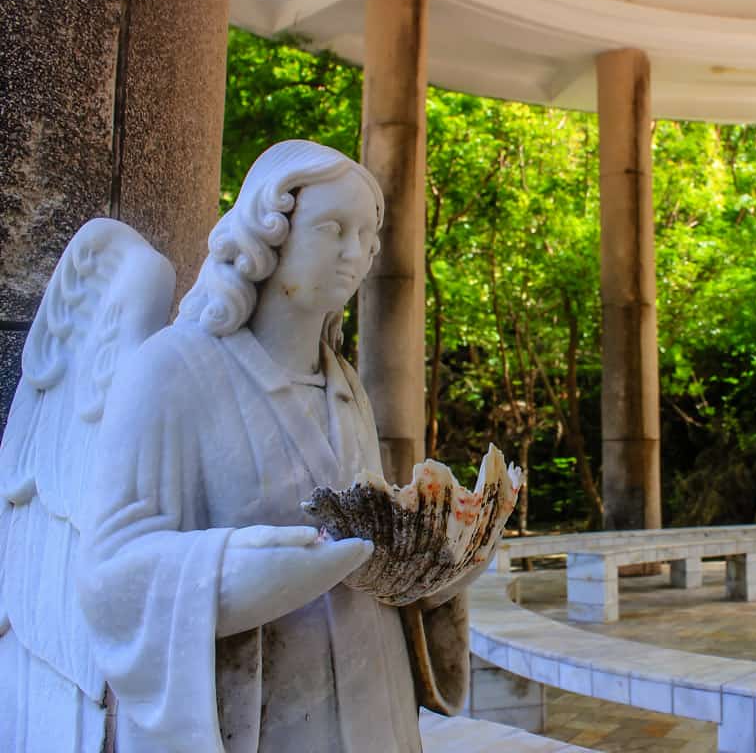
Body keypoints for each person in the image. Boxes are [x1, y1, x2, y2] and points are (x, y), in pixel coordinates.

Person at [70, 140, 470, 751]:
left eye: (367, 236)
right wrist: (230, 570)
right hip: (264, 712)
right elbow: (108, 577)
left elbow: (366, 548)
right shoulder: (172, 372)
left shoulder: (345, 386)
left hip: (374, 702)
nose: (354, 254)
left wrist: (434, 570)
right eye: (333, 229)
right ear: (268, 232)